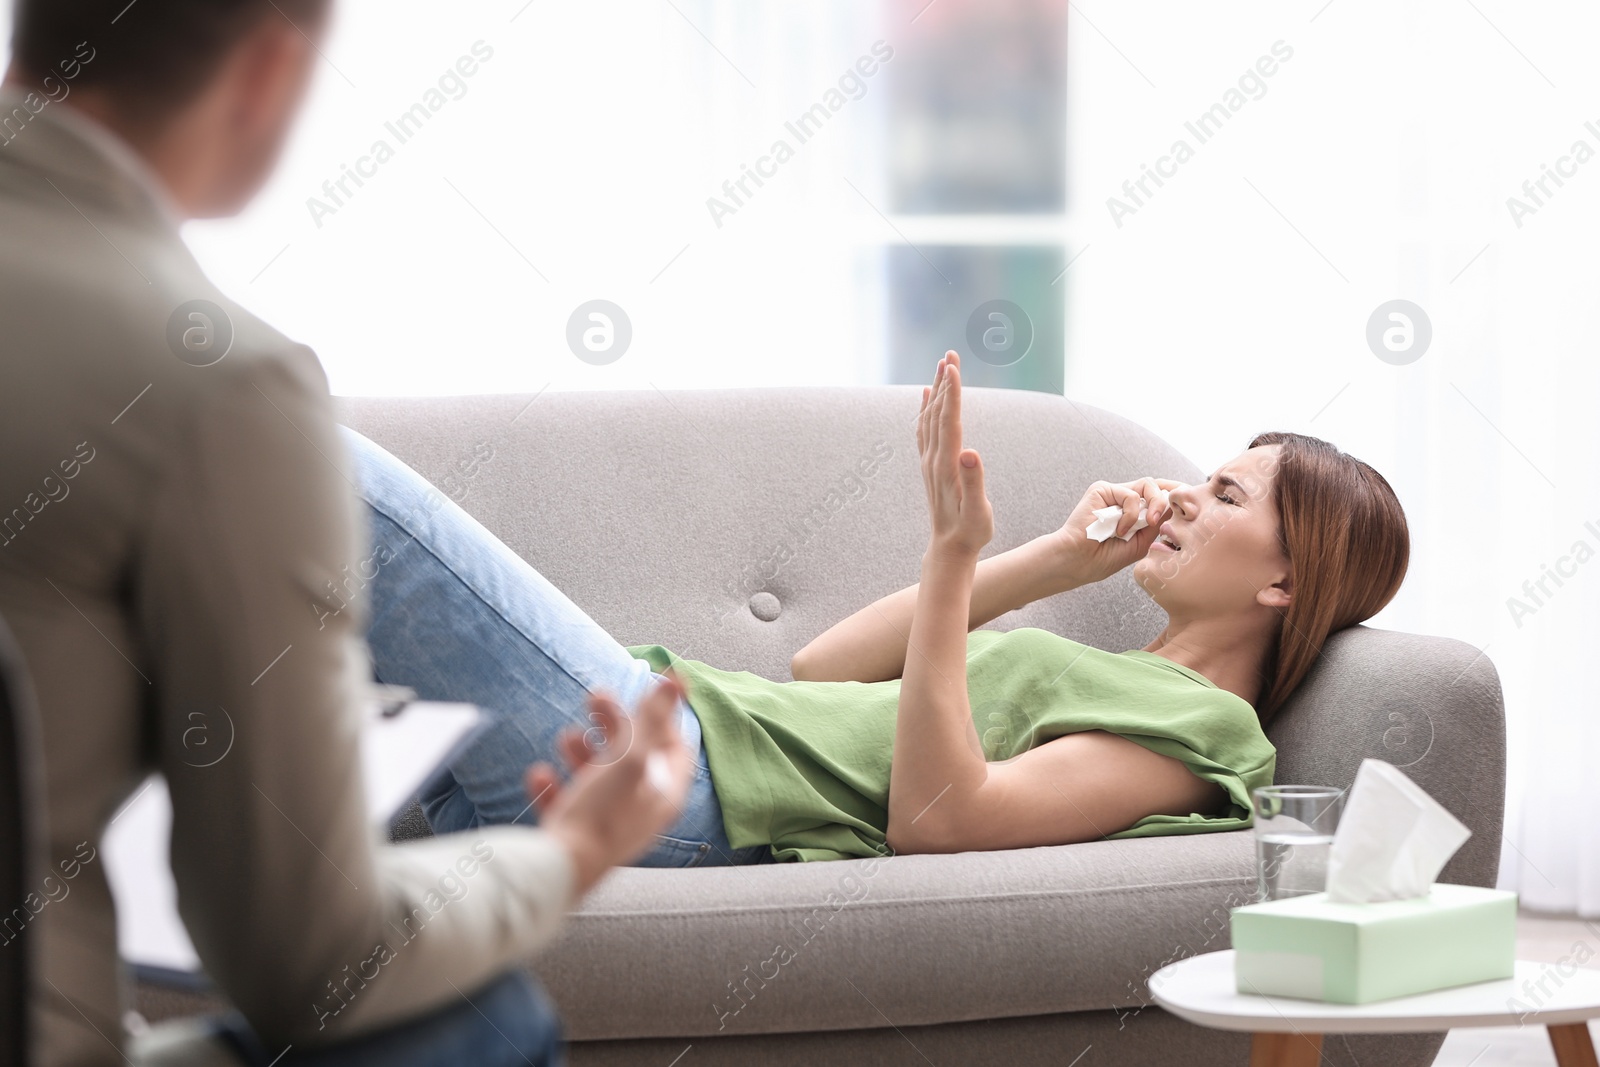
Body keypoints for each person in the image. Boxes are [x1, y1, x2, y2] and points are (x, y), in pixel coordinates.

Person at [0, 2, 696, 1065]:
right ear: (270, 69)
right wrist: (570, 850)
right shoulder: (217, 385)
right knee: (485, 1019)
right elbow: (313, 962)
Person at [347, 349, 1410, 864]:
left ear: (1284, 582)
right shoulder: (1126, 668)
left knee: (324, 473)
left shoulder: (1210, 730)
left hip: (681, 781)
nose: (1184, 495)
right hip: (671, 736)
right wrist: (1045, 561)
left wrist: (955, 552)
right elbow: (823, 666)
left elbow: (942, 820)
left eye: (1224, 494)